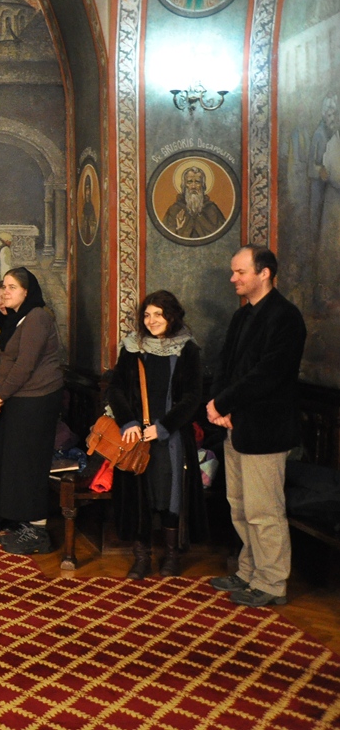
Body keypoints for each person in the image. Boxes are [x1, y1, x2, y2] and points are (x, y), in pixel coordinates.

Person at [208, 246, 306, 607]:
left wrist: (222, 403)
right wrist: (219, 405)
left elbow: (267, 375)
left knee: (265, 511)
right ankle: (249, 571)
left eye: (240, 272)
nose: (233, 278)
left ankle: (272, 582)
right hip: (235, 425)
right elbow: (224, 365)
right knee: (240, 505)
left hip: (266, 429)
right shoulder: (242, 315)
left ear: (264, 273)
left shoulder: (286, 317)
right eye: (233, 271)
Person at [107, 290, 205, 579]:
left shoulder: (188, 350)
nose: (151, 321)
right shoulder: (132, 347)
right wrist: (129, 422)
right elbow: (116, 389)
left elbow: (192, 397)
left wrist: (163, 428)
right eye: (147, 315)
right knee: (140, 496)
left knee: (171, 495)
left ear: (172, 316)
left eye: (158, 314)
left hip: (171, 438)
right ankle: (142, 557)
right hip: (136, 437)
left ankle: (172, 555)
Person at [0, 268, 63, 555]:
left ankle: (38, 532)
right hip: (21, 400)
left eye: (12, 287)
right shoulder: (19, 318)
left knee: (30, 465)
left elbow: (25, 365)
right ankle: (26, 524)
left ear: (27, 292)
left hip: (36, 400)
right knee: (17, 463)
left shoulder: (37, 317)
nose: (6, 292)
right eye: (4, 287)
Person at [162, 165, 227, 240]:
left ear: (203, 185)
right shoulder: (175, 209)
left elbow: (223, 237)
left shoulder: (212, 209)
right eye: (189, 182)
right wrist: (178, 228)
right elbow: (164, 238)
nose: (193, 186)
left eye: (197, 182)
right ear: (184, 185)